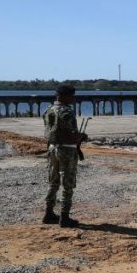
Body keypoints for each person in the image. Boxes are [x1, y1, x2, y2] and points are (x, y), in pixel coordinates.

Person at [42, 84, 88, 228]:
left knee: (53, 181)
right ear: (62, 96)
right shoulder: (66, 112)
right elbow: (71, 135)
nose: (73, 98)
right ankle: (65, 217)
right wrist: (82, 137)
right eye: (71, 95)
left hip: (52, 148)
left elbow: (52, 131)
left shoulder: (48, 110)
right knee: (68, 183)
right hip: (66, 150)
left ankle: (48, 213)